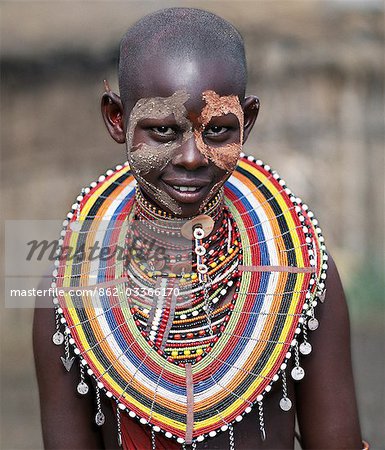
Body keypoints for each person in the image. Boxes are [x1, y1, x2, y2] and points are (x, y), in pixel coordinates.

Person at [33, 7, 366, 450]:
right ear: (117, 119)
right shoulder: (68, 294)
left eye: (219, 130)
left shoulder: (300, 272)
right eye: (163, 130)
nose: (192, 157)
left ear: (246, 122)